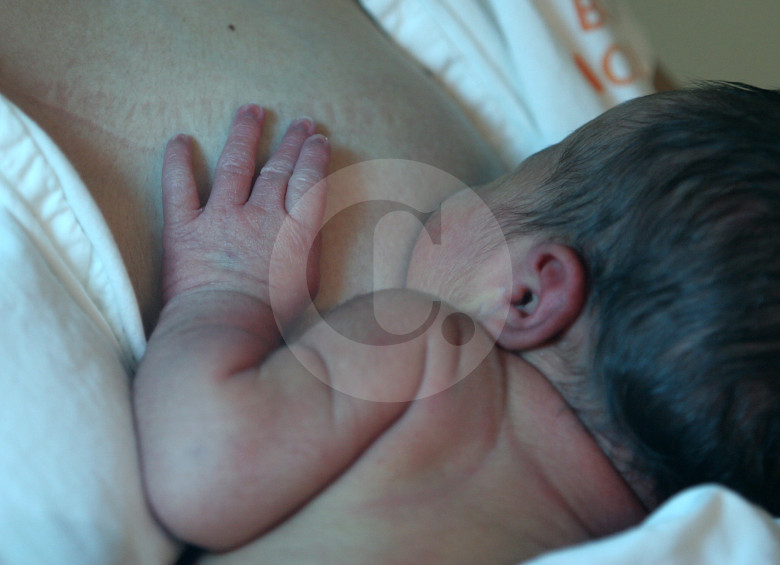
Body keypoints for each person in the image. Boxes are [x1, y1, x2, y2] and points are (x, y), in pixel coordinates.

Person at [134, 82, 780, 563]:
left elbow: (207, 467)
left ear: (528, 294)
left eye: (515, 173)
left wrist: (227, 285)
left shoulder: (435, 349)